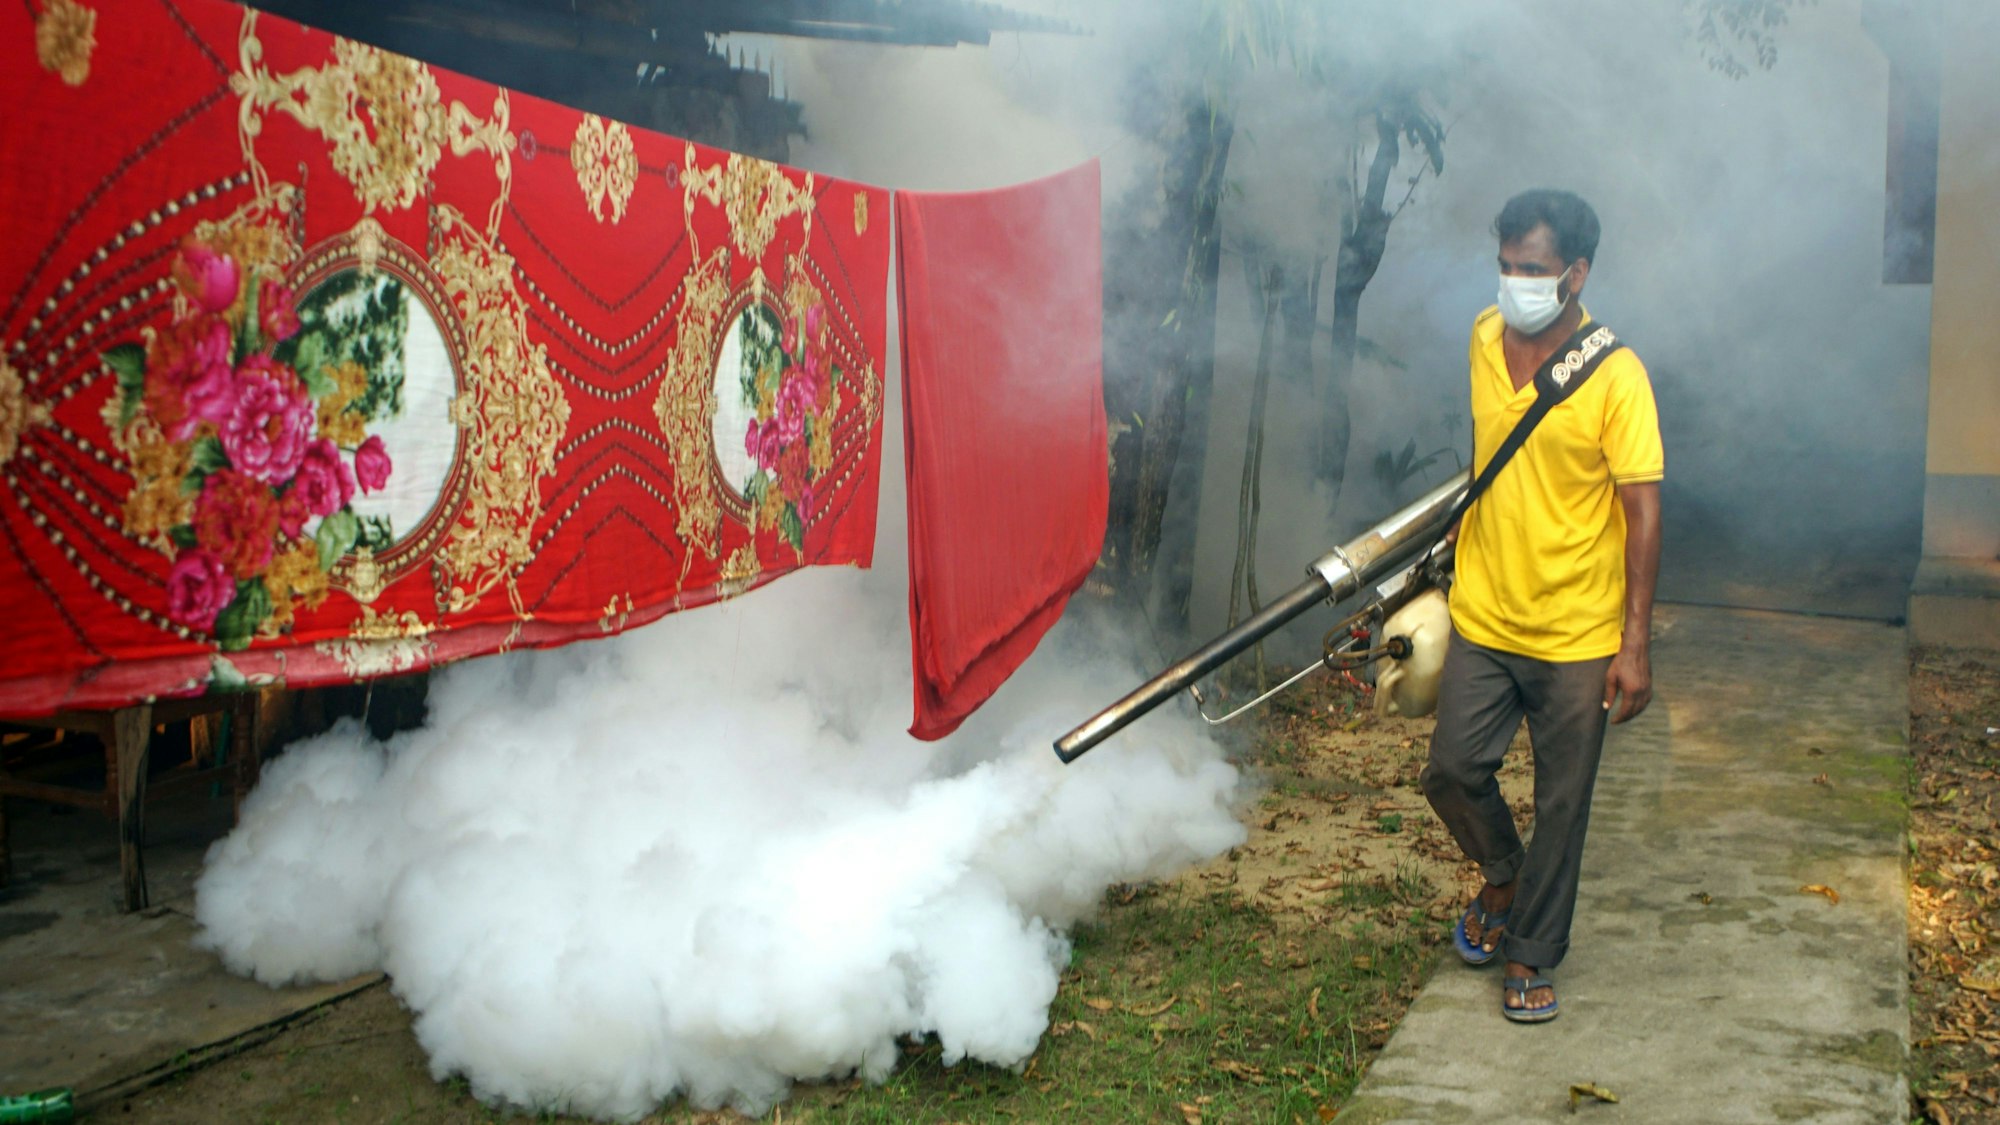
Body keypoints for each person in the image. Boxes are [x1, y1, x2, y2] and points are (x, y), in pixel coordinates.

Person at [1420, 188, 1663, 1024]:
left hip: (1577, 632)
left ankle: (1531, 950)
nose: (1513, 283)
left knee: (1563, 801)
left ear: (1576, 273)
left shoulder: (1617, 374)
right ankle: (1503, 875)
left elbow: (1644, 509)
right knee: (1451, 770)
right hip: (1486, 612)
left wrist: (1634, 645)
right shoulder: (1485, 338)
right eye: (1505, 266)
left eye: (1532, 269)